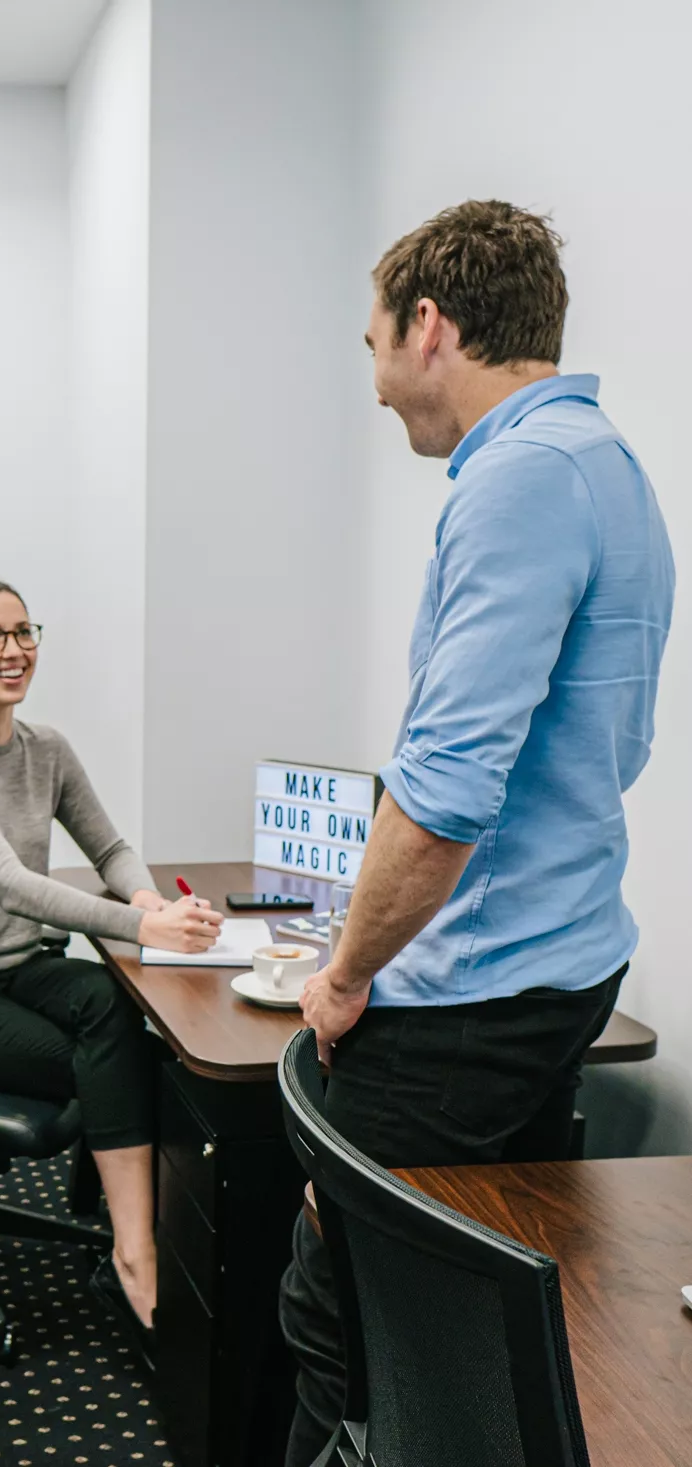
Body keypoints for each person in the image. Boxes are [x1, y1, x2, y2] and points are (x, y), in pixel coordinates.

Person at [280, 201, 675, 1463]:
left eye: (375, 340)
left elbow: (445, 793)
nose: (376, 370)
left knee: (341, 1314)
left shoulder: (520, 479)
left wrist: (343, 976)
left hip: (471, 995)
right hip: (561, 960)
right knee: (474, 1326)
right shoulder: (604, 466)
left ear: (430, 327)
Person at [0, 576, 220, 1351]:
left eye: (23, 631)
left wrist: (149, 905)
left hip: (18, 967)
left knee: (122, 1011)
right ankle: (134, 1254)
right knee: (103, 1057)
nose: (13, 650)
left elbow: (106, 848)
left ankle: (129, 1233)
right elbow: (13, 883)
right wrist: (150, 930)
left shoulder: (47, 748)